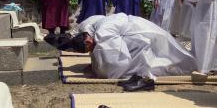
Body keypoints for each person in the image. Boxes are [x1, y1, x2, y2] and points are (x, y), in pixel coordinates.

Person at [57, 13, 196, 92]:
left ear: (87, 41)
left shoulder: (102, 33)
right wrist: (94, 63)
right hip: (136, 31)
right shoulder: (92, 29)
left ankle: (146, 79)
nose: (91, 51)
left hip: (142, 35)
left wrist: (98, 69)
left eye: (88, 49)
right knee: (166, 54)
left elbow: (115, 66)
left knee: (168, 60)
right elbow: (97, 52)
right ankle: (141, 76)